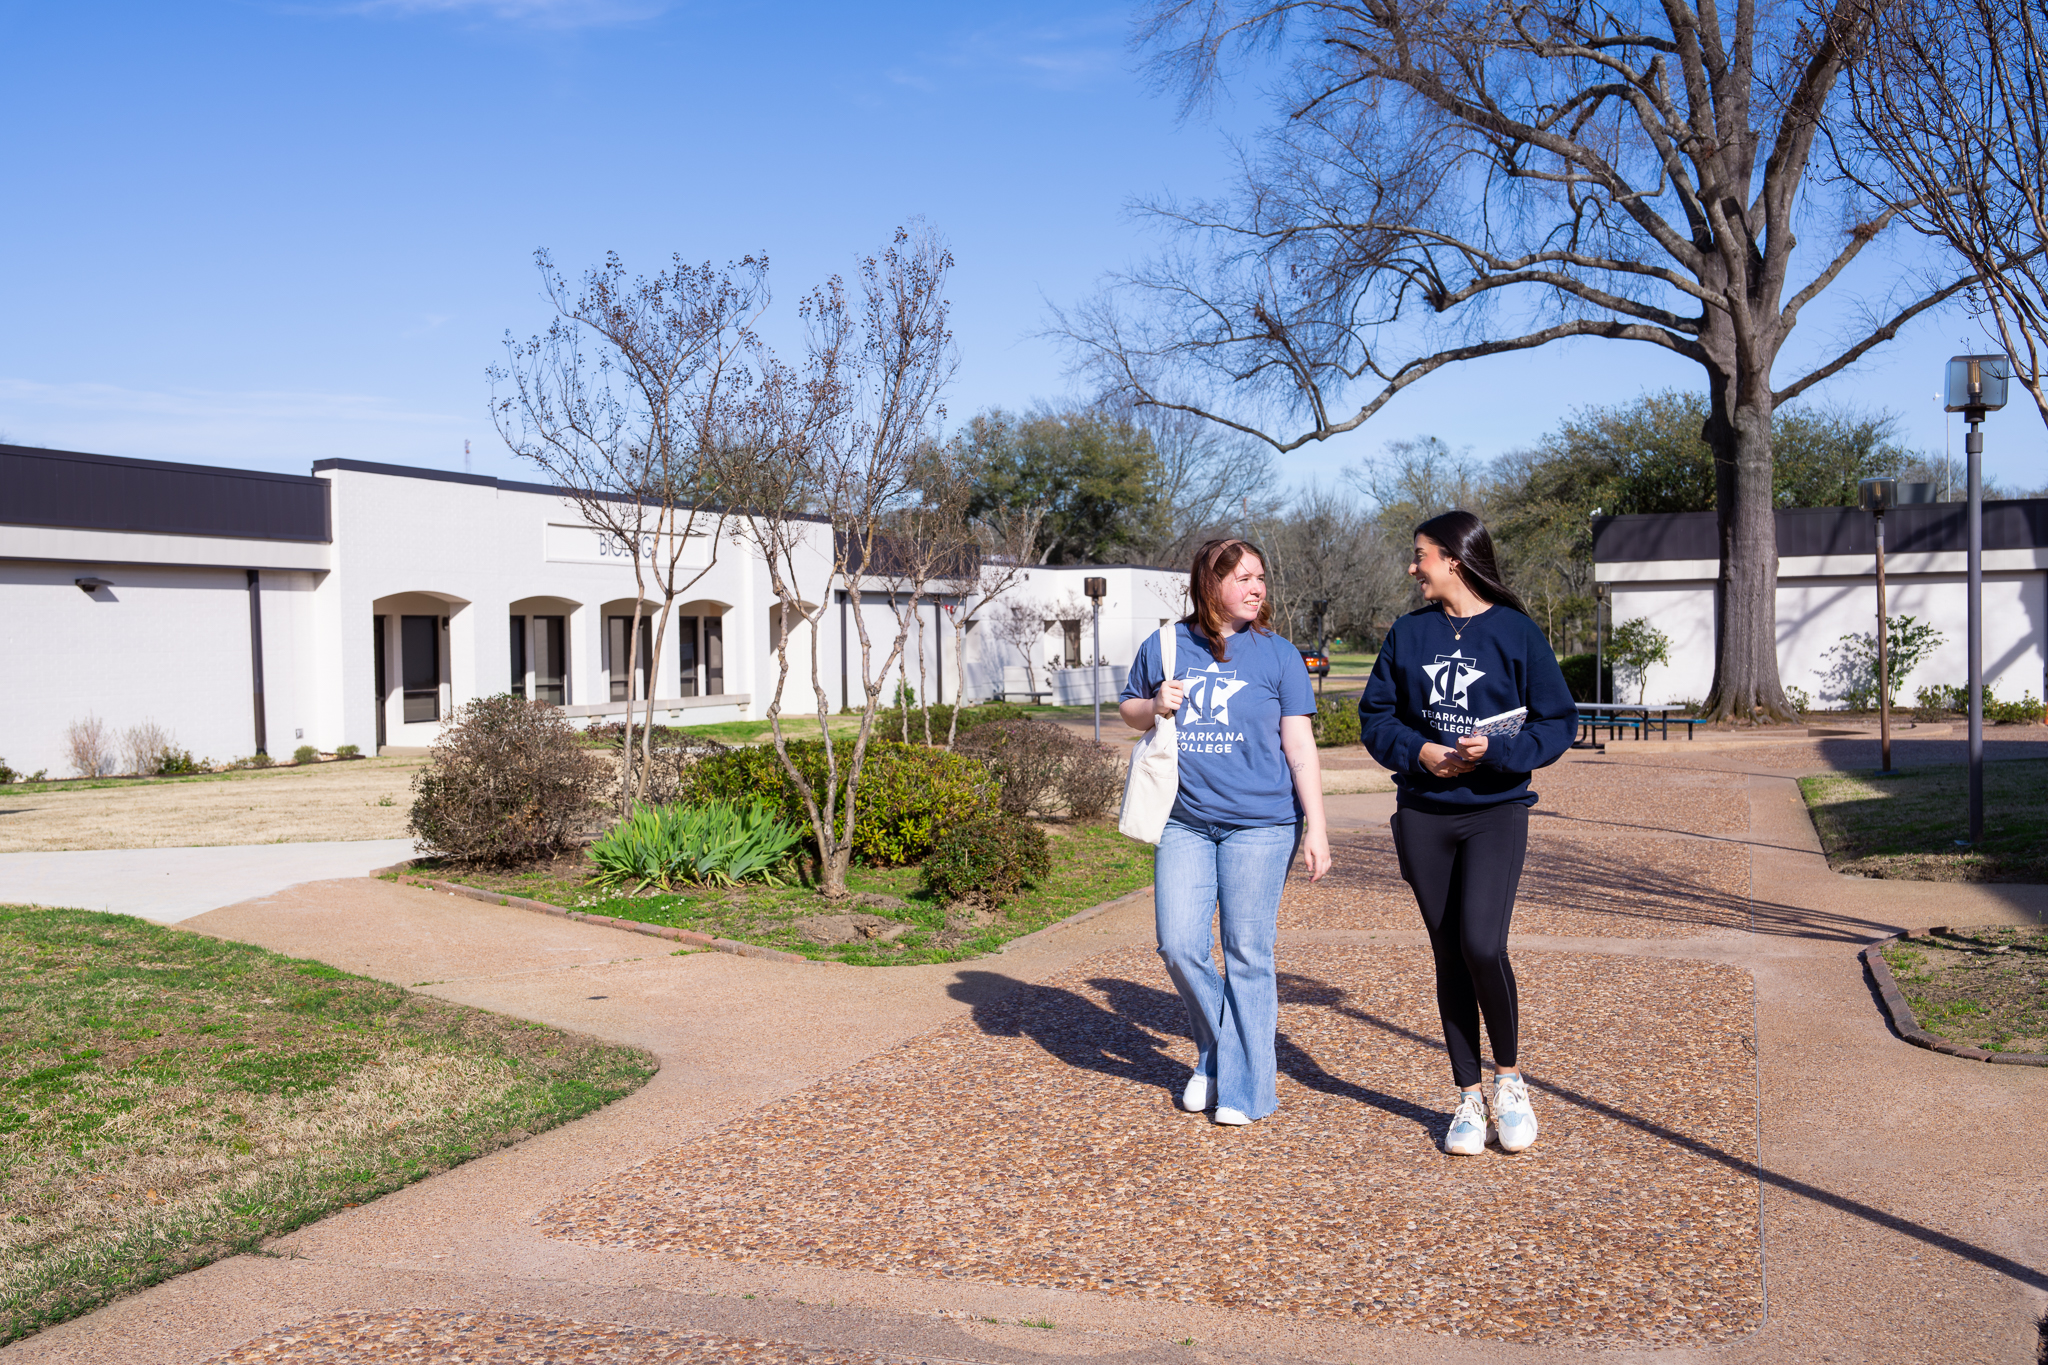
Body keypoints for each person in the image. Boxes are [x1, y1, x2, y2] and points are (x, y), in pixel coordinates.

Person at [1358, 510, 1575, 1156]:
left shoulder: (1516, 632)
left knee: (1483, 943)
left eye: (1420, 554)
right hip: (1424, 814)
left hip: (1494, 810)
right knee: (1448, 952)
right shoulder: (1408, 632)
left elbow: (1557, 722)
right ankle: (1468, 1096)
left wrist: (1499, 753)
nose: (1412, 565)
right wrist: (1420, 752)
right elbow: (1376, 716)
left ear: (1453, 558)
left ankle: (1511, 1081)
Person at [1119, 538, 1331, 1125]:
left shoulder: (1280, 655)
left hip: (1263, 825)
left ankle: (1247, 1091)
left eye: (1260, 577)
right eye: (1241, 578)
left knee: (1246, 952)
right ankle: (1218, 1049)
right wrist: (1156, 702)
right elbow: (1128, 710)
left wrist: (1317, 826)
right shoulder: (1166, 644)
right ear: (1209, 584)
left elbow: (1300, 747)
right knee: (1179, 945)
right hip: (1185, 820)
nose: (1256, 588)